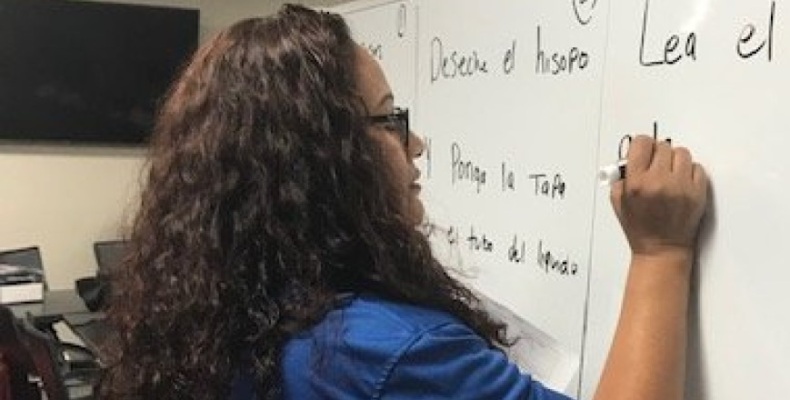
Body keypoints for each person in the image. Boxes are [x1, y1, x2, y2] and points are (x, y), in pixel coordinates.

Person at [98, 4, 708, 400]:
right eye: (390, 119)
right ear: (320, 155)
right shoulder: (381, 352)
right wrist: (661, 252)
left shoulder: (223, 305)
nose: (416, 143)